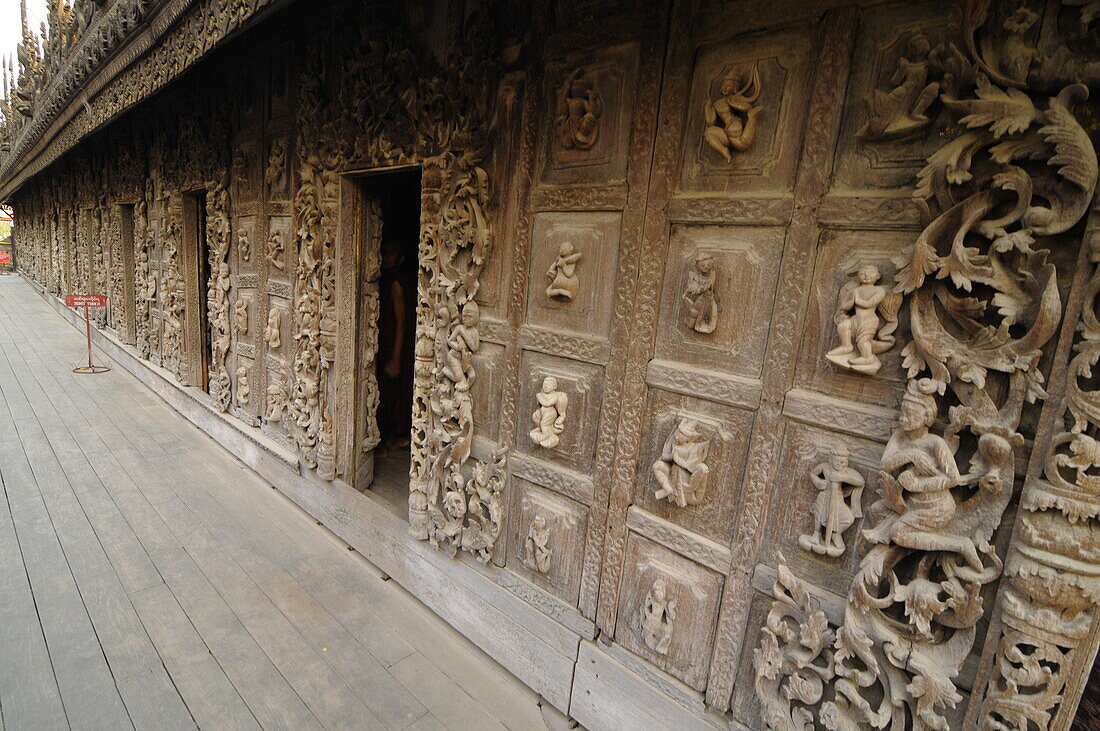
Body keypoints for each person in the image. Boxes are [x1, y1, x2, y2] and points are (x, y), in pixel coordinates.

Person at [377, 234, 417, 457]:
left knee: (388, 393)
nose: (385, 257)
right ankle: (396, 437)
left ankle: (383, 441)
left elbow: (401, 323)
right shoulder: (390, 279)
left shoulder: (396, 283)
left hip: (394, 345)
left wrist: (394, 357)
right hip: (391, 344)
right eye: (384, 252)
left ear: (401, 258)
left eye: (391, 253)